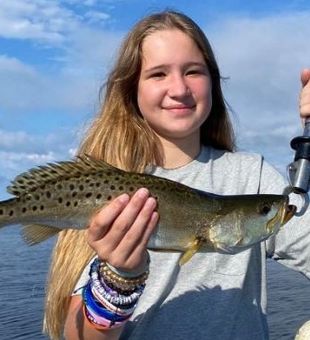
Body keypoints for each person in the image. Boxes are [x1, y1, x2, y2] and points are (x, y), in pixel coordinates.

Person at [43, 10, 310, 340]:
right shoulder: (105, 189)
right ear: (132, 90)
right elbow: (78, 336)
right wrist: (120, 277)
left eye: (193, 71)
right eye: (158, 74)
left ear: (213, 81)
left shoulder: (251, 176)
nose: (179, 88)